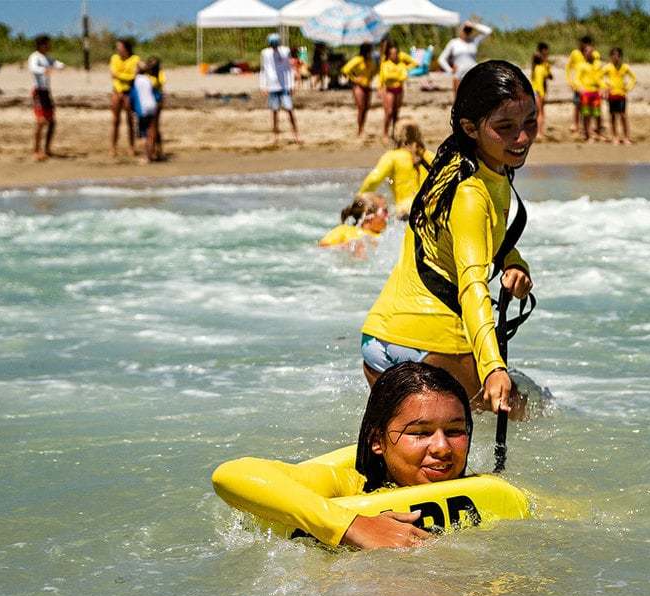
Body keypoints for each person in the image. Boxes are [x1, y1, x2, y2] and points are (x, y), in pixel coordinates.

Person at [361, 60, 536, 416]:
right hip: (433, 343)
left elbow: (472, 240)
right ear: (471, 127)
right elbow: (471, 284)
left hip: (380, 337)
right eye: (505, 127)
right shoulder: (471, 192)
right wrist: (492, 368)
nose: (522, 137)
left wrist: (513, 262)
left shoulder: (454, 166)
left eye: (529, 122)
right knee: (526, 416)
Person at [212, 362, 473, 549]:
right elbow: (230, 475)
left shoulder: (484, 488)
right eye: (420, 432)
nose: (442, 447)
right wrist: (355, 526)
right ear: (376, 441)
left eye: (454, 430)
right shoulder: (350, 487)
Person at [358, 123, 434, 220]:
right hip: (430, 209)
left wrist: (358, 201)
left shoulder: (393, 156)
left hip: (405, 211)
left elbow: (373, 180)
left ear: (396, 137)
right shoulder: (428, 155)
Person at [28, 35, 65, 161]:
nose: (49, 46)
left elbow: (56, 63)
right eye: (47, 44)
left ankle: (47, 149)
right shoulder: (34, 57)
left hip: (46, 92)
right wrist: (45, 69)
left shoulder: (47, 57)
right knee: (41, 121)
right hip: (38, 91)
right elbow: (33, 68)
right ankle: (36, 150)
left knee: (52, 121)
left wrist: (59, 66)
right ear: (41, 45)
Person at [259, 34, 300, 145]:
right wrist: (263, 85)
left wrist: (291, 84)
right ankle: (275, 136)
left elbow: (289, 67)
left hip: (284, 85)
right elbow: (263, 69)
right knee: (275, 111)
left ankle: (296, 135)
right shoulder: (265, 53)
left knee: (289, 109)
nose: (274, 46)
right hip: (273, 85)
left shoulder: (285, 51)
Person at [318, 193, 389, 253]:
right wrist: (349, 247)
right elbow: (321, 247)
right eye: (385, 211)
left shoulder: (387, 236)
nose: (388, 215)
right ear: (369, 215)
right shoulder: (345, 230)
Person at [437, 21, 493, 96]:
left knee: (474, 100)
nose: (467, 32)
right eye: (465, 29)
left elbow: (488, 31)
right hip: (459, 76)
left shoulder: (474, 42)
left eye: (469, 30)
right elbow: (441, 59)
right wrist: (450, 70)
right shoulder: (454, 43)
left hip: (474, 75)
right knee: (459, 102)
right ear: (460, 30)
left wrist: (474, 25)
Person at [377, 42, 417, 142]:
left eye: (395, 53)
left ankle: (394, 132)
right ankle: (385, 133)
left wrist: (404, 71)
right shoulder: (385, 63)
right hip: (389, 89)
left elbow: (409, 70)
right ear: (389, 54)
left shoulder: (401, 63)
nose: (394, 56)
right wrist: (379, 88)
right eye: (392, 54)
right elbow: (384, 76)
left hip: (399, 89)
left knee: (396, 112)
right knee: (389, 112)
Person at [109, 39, 140, 157]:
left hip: (129, 92)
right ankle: (113, 147)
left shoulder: (135, 59)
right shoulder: (114, 58)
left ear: (126, 48)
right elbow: (112, 74)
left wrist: (119, 76)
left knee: (130, 121)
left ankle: (131, 147)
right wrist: (124, 77)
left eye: (119, 47)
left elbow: (133, 76)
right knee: (115, 121)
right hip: (117, 92)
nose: (117, 49)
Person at [341, 43, 378, 137]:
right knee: (361, 107)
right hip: (358, 86)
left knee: (366, 108)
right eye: (369, 50)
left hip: (368, 86)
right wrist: (354, 78)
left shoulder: (371, 61)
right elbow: (345, 70)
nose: (371, 51)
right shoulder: (357, 59)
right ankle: (359, 129)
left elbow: (374, 71)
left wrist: (372, 75)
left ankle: (362, 127)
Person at [565, 35, 600, 134]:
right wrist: (570, 81)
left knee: (592, 107)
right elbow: (568, 67)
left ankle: (592, 126)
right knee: (577, 105)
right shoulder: (575, 53)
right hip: (578, 84)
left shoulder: (595, 54)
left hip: (590, 85)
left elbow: (597, 67)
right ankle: (575, 124)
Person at [601, 47, 636, 145]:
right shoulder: (607, 67)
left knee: (623, 116)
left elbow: (633, 78)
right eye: (614, 56)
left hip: (621, 94)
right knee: (612, 116)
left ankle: (626, 137)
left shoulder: (624, 67)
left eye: (618, 56)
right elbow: (599, 77)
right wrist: (605, 86)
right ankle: (614, 136)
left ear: (621, 57)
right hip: (611, 94)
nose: (616, 58)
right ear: (610, 57)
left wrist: (628, 88)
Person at [574, 43, 604, 143]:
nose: (590, 53)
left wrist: (603, 88)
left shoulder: (597, 64)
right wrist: (580, 88)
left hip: (596, 92)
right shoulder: (581, 65)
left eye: (591, 51)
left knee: (597, 114)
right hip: (586, 92)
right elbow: (577, 79)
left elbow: (600, 78)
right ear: (584, 53)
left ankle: (599, 133)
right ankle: (588, 134)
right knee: (586, 114)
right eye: (587, 51)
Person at [130, 60, 158, 163]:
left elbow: (133, 96)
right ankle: (151, 154)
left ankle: (146, 156)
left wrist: (133, 109)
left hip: (142, 108)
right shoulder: (148, 79)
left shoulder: (136, 81)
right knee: (151, 131)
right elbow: (155, 93)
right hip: (152, 106)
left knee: (143, 134)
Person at [529, 43, 551, 134]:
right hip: (539, 92)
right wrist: (541, 94)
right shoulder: (541, 68)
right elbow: (540, 84)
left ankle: (538, 132)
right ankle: (539, 133)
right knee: (541, 113)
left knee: (538, 113)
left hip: (535, 91)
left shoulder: (534, 68)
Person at [146, 56, 166, 160]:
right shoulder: (147, 75)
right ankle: (158, 151)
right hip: (150, 103)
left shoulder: (157, 76)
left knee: (152, 129)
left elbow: (158, 85)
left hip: (155, 103)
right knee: (154, 129)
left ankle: (152, 153)